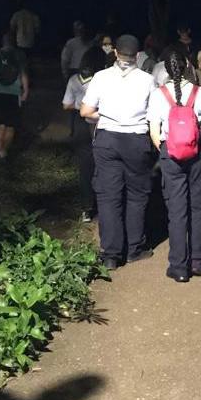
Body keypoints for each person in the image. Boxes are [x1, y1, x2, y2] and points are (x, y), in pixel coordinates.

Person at [80, 35, 156, 270]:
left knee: (108, 196)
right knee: (137, 195)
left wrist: (105, 116)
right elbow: (153, 115)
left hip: (107, 140)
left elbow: (85, 111)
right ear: (137, 55)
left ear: (115, 52)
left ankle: (111, 254)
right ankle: (135, 248)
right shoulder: (148, 80)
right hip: (136, 140)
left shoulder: (101, 77)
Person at [148, 49, 201, 282]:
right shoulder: (199, 92)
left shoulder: (158, 94)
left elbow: (154, 132)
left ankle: (178, 266)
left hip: (172, 154)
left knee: (176, 210)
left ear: (165, 69)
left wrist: (168, 150)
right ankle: (198, 260)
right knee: (198, 207)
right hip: (199, 152)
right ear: (187, 66)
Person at [63, 46, 105, 223]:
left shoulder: (74, 79)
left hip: (81, 124)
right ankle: (104, 204)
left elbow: (66, 104)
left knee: (85, 167)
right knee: (104, 166)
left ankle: (87, 208)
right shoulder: (103, 79)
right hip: (102, 124)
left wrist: (80, 106)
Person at [0, 33, 29, 160]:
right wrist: (25, 91)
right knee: (11, 125)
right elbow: (23, 75)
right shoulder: (20, 55)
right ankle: (5, 151)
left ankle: (0, 151)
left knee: (0, 124)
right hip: (14, 94)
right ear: (14, 42)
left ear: (2, 42)